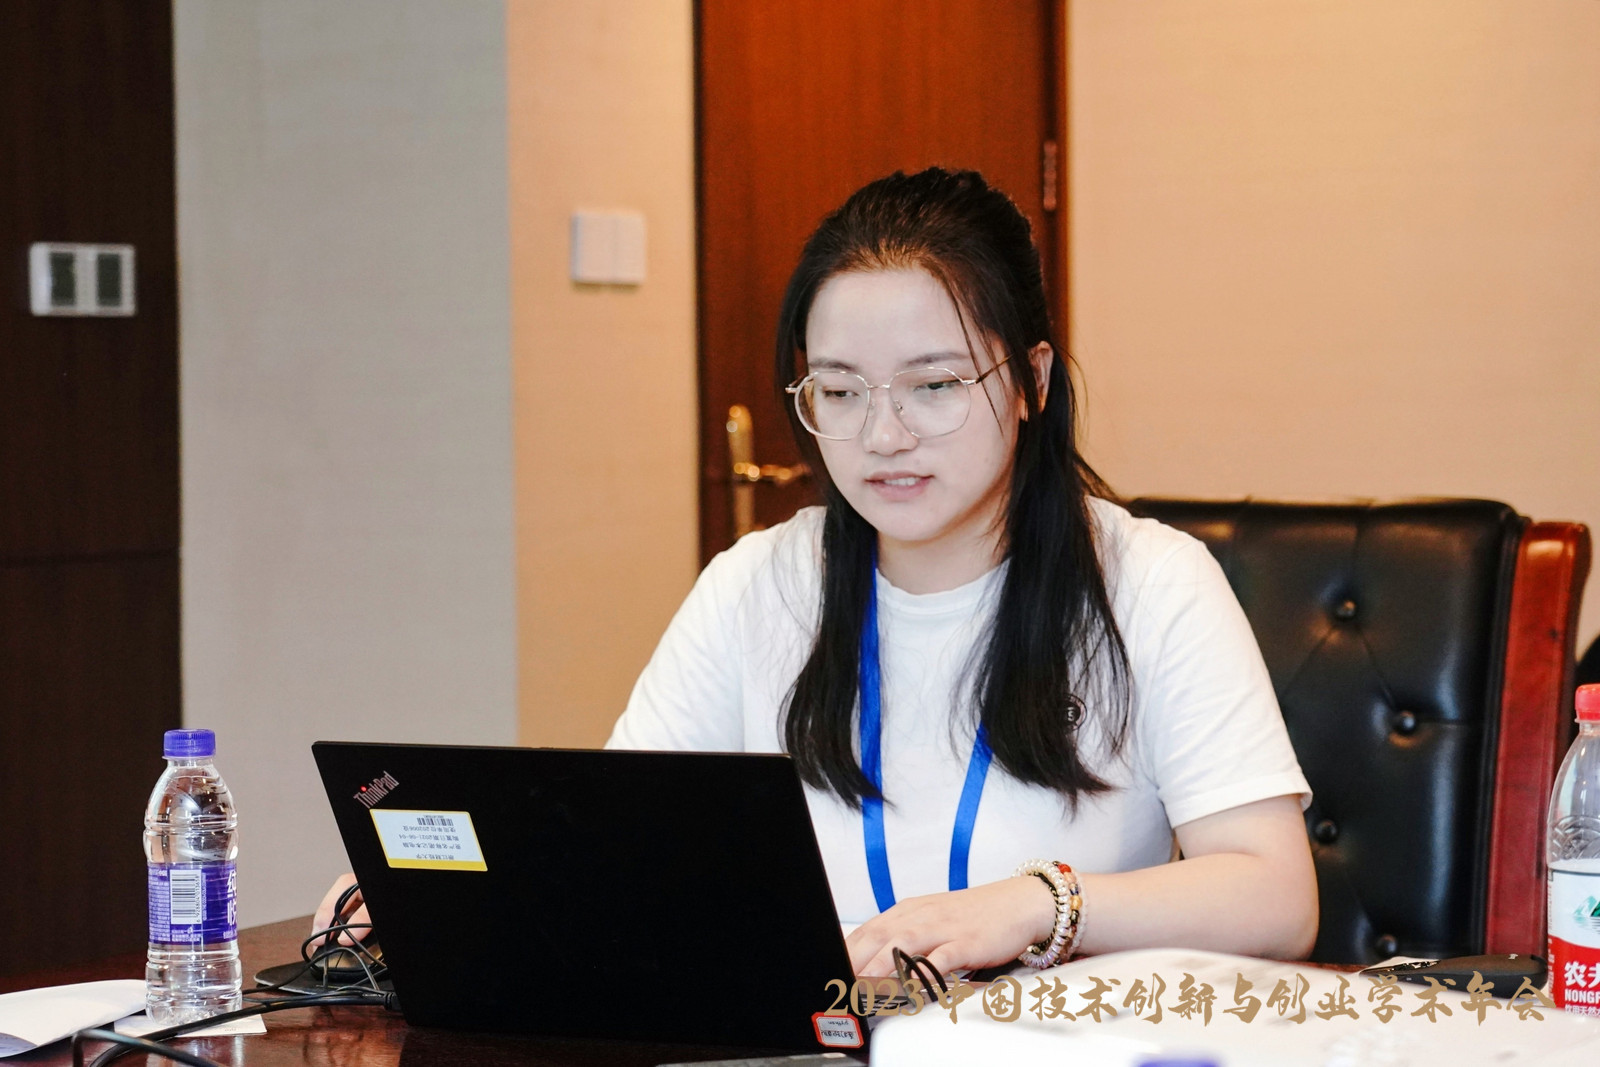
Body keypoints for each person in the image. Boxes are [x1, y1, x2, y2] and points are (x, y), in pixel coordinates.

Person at [317, 167, 1317, 977]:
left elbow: (1275, 896)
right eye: (839, 392)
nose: (883, 435)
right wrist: (411, 890)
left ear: (1032, 380)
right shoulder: (759, 584)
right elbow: (620, 835)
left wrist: (1030, 905)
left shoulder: (1152, 585)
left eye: (933, 385)